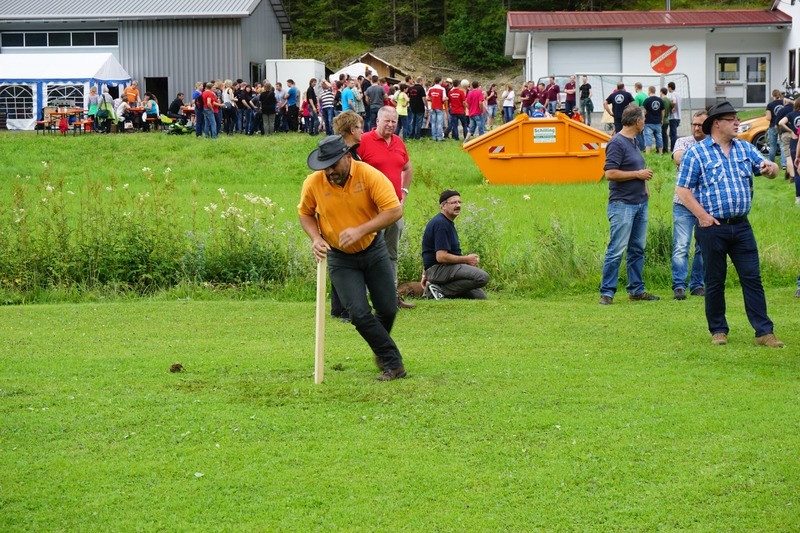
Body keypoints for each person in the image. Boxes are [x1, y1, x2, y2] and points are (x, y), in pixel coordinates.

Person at [298, 135, 408, 381]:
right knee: (357, 313)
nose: (329, 171)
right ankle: (393, 362)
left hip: (373, 249)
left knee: (388, 309)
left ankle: (381, 349)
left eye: (333, 165)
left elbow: (394, 210)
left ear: (347, 157)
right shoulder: (314, 183)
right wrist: (316, 238)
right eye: (324, 166)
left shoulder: (369, 176)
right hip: (340, 257)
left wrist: (361, 229)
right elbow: (305, 214)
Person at [676, 101, 784, 348]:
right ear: (717, 123)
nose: (738, 122)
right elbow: (682, 189)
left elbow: (773, 169)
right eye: (732, 119)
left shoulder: (745, 148)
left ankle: (764, 332)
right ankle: (718, 330)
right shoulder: (697, 153)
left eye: (737, 118)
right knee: (714, 279)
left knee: (752, 278)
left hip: (741, 226)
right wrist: (702, 216)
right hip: (712, 227)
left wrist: (771, 168)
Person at [599, 105, 658, 305]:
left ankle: (636, 290)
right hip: (622, 205)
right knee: (616, 249)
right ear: (637, 121)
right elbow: (610, 173)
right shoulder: (617, 143)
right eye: (644, 118)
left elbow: (637, 166)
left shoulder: (634, 141)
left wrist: (645, 185)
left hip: (640, 203)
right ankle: (607, 292)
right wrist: (637, 175)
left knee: (636, 249)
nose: (645, 121)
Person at [357, 106, 415, 310]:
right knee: (367, 253)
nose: (391, 125)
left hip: (394, 209)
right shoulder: (363, 141)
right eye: (387, 121)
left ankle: (391, 297)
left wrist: (404, 193)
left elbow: (407, 168)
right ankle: (363, 299)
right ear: (378, 121)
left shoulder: (398, 143)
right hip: (370, 210)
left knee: (391, 254)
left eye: (394, 122)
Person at [421, 190, 489, 300]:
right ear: (443, 205)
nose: (458, 205)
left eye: (459, 202)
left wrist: (425, 274)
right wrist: (467, 259)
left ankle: (439, 289)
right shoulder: (441, 224)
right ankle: (440, 290)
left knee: (480, 297)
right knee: (482, 277)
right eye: (454, 203)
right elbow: (441, 256)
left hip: (441, 270)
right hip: (439, 269)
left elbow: (428, 250)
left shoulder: (445, 222)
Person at [670, 111, 707, 300]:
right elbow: (678, 158)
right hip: (683, 203)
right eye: (694, 124)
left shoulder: (713, 145)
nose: (696, 128)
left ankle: (697, 284)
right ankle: (679, 285)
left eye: (700, 125)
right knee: (681, 245)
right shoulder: (683, 142)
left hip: (705, 204)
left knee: (702, 247)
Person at [766, 89, 788, 170]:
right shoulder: (784, 103)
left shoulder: (770, 105)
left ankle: (771, 163)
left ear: (773, 95)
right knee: (782, 145)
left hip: (772, 126)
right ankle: (784, 164)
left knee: (772, 146)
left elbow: (768, 117)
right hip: (783, 126)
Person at [642, 86, 664, 154]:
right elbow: (663, 111)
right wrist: (662, 119)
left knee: (648, 137)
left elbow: (644, 111)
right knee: (659, 137)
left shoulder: (647, 100)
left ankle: (648, 153)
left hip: (648, 122)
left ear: (649, 91)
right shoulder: (660, 100)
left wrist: (643, 119)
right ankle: (661, 152)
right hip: (658, 122)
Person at [427, 76, 447, 141]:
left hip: (432, 107)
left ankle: (434, 137)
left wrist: (433, 99)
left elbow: (427, 98)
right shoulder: (442, 89)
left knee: (433, 123)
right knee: (439, 123)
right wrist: (446, 98)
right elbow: (443, 98)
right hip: (439, 107)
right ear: (440, 81)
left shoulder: (430, 89)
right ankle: (439, 137)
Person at [668, 81, 681, 152]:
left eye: (668, 88)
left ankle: (674, 149)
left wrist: (671, 107)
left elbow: (674, 102)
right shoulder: (678, 94)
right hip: (679, 117)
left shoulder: (673, 94)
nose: (668, 89)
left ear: (670, 87)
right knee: (672, 133)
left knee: (673, 134)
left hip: (673, 117)